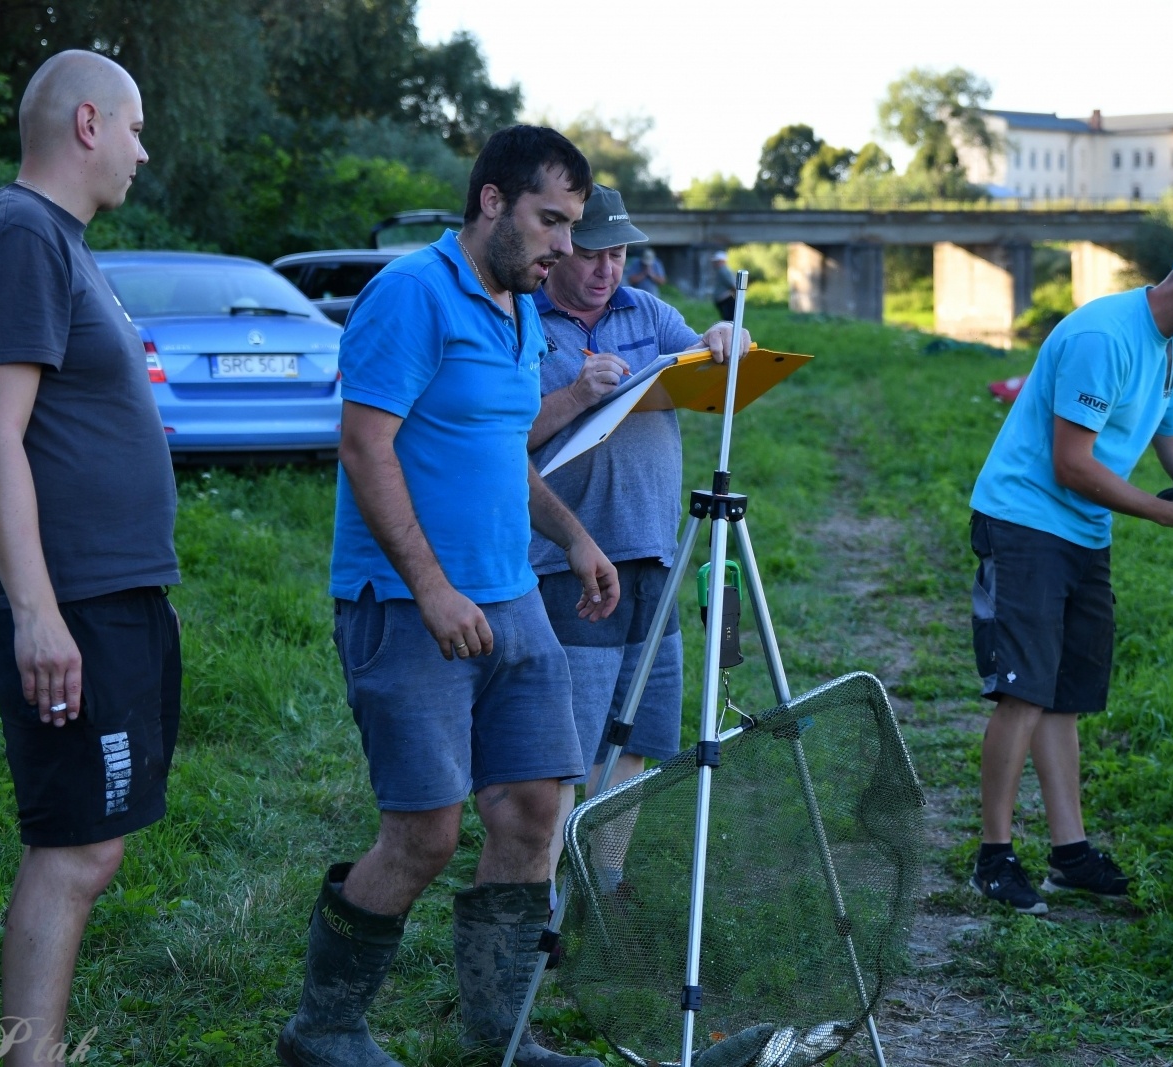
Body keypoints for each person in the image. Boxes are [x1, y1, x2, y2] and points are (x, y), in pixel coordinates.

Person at [279, 126, 618, 1067]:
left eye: (574, 225)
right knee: (425, 834)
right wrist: (430, 588)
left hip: (513, 604)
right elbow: (364, 446)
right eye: (551, 220)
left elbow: (499, 455)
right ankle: (325, 1027)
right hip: (406, 606)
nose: (565, 246)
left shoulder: (518, 312)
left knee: (532, 815)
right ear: (492, 201)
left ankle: (500, 1038)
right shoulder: (411, 294)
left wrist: (575, 536)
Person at [0, 51, 180, 1065]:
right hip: (68, 600)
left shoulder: (56, 243)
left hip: (105, 593)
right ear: (87, 124)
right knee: (74, 847)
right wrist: (37, 611)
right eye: (132, 128)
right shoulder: (20, 235)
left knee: (89, 840)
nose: (141, 148)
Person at [966, 222, 1173, 915]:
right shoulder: (1103, 337)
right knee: (1023, 690)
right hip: (1024, 520)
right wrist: (1168, 514)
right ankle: (992, 856)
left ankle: (1069, 851)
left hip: (1083, 530)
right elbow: (1071, 463)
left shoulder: (1171, 351)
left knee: (1068, 694)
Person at [527, 184, 749, 886]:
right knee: (573, 739)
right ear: (560, 247)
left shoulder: (647, 311)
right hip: (570, 559)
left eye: (619, 254)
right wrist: (574, 396)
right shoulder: (522, 322)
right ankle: (547, 890)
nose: (606, 270)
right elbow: (496, 438)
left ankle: (605, 886)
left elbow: (721, 377)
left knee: (638, 736)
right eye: (593, 253)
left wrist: (726, 339)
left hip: (657, 551)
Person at [711, 249, 738, 320]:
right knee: (728, 320)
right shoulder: (722, 270)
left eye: (717, 261)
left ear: (722, 261)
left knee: (729, 320)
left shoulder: (723, 271)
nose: (714, 263)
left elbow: (733, 285)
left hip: (726, 299)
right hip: (723, 300)